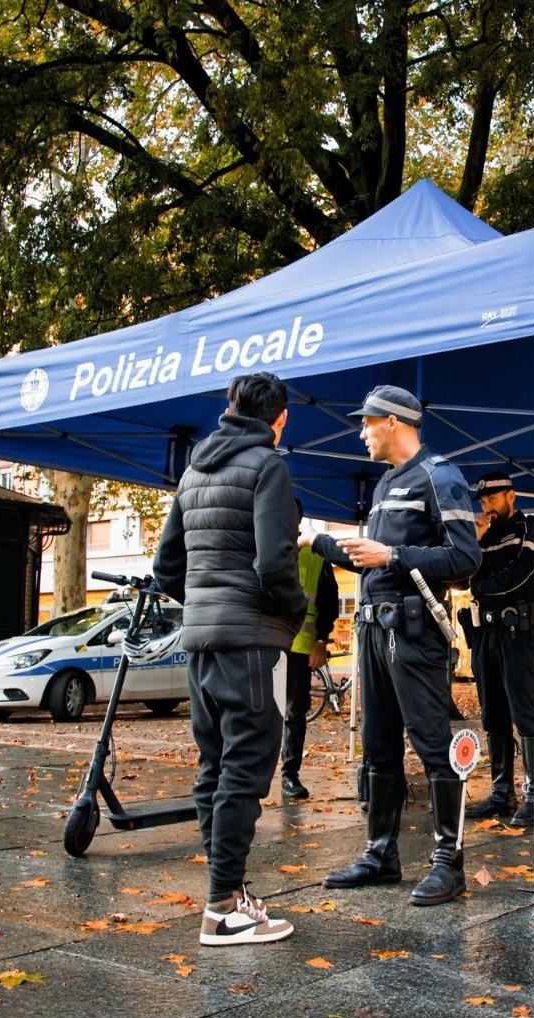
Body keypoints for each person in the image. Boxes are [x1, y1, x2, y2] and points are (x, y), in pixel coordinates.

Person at [311, 385, 481, 906]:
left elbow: (465, 558)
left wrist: (393, 553)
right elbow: (375, 561)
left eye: (366, 423)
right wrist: (318, 541)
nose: (361, 432)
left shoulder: (441, 475)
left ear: (391, 422)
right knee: (379, 745)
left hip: (412, 632)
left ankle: (449, 864)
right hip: (371, 627)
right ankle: (380, 853)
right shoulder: (386, 483)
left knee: (432, 744)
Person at [153, 371, 306, 946]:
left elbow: (166, 568)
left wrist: (205, 605)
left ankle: (229, 892)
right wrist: (296, 610)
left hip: (202, 643)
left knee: (213, 766)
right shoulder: (268, 466)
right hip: (253, 642)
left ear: (229, 407)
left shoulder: (194, 470)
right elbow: (273, 564)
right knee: (245, 769)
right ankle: (221, 907)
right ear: (280, 417)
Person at [461, 471, 534, 827]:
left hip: (517, 632)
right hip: (485, 634)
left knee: (525, 712)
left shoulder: (530, 528)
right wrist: (472, 540)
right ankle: (501, 791)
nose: (487, 506)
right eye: (482, 501)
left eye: (492, 499)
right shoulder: (481, 534)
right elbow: (459, 574)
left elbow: (522, 575)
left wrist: (480, 586)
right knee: (492, 713)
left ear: (510, 496)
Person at [281, 499, 340, 801]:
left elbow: (329, 599)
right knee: (256, 712)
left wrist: (321, 641)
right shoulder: (260, 544)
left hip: (300, 647)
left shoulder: (315, 554)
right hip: (263, 644)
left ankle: (289, 775)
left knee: (295, 713)